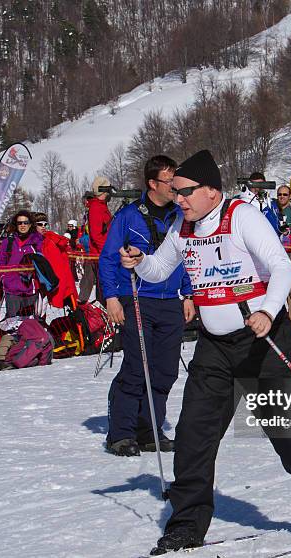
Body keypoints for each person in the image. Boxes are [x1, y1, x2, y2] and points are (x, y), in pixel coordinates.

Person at [120, 149, 291, 554]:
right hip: (214, 347)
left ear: (211, 190)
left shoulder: (241, 216)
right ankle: (186, 525)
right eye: (175, 193)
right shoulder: (183, 226)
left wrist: (266, 310)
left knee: (288, 434)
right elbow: (159, 269)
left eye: (185, 192)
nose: (178, 200)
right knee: (194, 435)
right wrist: (140, 261)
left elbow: (282, 268)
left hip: (261, 340)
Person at [100, 155, 195, 457]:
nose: (175, 187)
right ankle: (122, 433)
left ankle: (150, 429)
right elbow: (108, 259)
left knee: (165, 370)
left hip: (170, 302)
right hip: (137, 297)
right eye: (169, 181)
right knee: (136, 367)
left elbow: (187, 257)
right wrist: (111, 297)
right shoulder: (128, 215)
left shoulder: (181, 216)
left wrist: (189, 293)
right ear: (153, 183)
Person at [0, 210, 43, 318]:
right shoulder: (8, 242)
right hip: (12, 291)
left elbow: (43, 263)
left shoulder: (37, 242)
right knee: (12, 324)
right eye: (19, 223)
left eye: (25, 222)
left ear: (30, 224)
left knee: (30, 325)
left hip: (31, 290)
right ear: (15, 225)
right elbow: (1, 262)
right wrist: (4, 279)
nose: (22, 225)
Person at [78, 176, 112, 305]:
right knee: (102, 287)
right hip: (99, 254)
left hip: (99, 253)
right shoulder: (97, 207)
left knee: (98, 284)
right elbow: (97, 234)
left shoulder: (101, 206)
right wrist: (108, 252)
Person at [34, 212, 78, 309]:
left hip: (57, 282)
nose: (43, 227)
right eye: (40, 224)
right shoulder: (35, 241)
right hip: (39, 284)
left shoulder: (51, 240)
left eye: (45, 224)